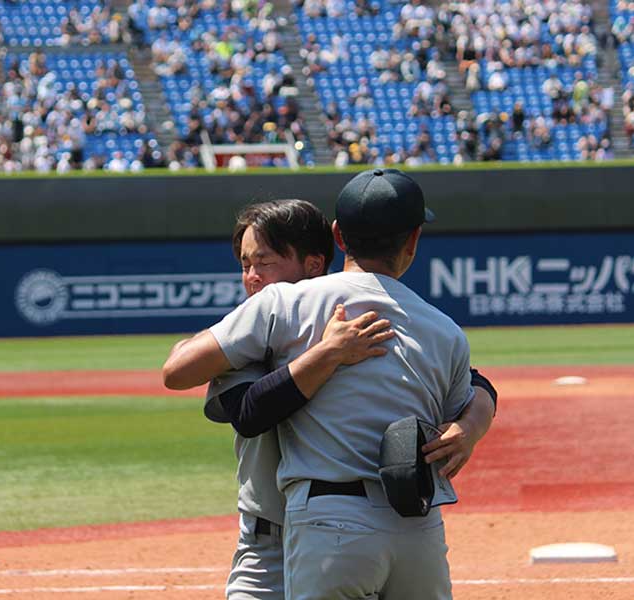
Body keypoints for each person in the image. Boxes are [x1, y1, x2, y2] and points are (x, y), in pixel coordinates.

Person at [164, 191, 496, 599]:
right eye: (245, 264)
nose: (251, 275)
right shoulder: (255, 336)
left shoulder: (339, 316)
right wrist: (327, 355)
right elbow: (249, 413)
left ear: (318, 260)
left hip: (331, 525)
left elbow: (475, 382)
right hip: (272, 536)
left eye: (263, 261)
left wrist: (471, 425)